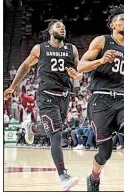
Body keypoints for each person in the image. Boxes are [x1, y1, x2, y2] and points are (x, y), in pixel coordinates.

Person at [77, 5, 124, 191]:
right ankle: (94, 178)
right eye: (121, 20)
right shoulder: (102, 41)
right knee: (105, 152)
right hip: (100, 100)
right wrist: (100, 61)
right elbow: (81, 66)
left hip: (122, 100)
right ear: (112, 24)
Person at [4, 20, 81, 191]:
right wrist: (13, 86)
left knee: (52, 129)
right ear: (50, 31)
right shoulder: (40, 48)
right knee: (56, 133)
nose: (62, 28)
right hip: (46, 96)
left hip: (64, 96)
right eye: (58, 26)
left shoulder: (72, 49)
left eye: (64, 27)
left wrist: (78, 75)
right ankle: (63, 176)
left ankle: (32, 128)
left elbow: (80, 73)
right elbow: (25, 65)